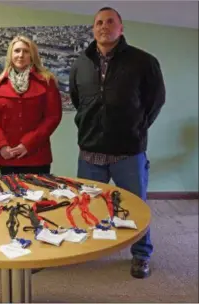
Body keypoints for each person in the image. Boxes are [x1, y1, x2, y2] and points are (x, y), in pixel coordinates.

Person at [69, 7, 166, 279]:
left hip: (128, 152)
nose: (103, 26)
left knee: (137, 206)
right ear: (93, 29)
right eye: (98, 22)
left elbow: (155, 101)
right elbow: (78, 100)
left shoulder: (143, 61)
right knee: (87, 206)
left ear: (121, 28)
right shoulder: (80, 63)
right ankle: (88, 249)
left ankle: (141, 254)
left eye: (110, 21)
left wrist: (136, 127)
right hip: (90, 152)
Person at [0, 36, 62, 175]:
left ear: (32, 55)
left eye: (26, 51)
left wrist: (28, 144)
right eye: (17, 51)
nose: (21, 55)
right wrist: (1, 146)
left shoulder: (47, 81)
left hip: (37, 156)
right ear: (10, 55)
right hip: (8, 156)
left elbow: (53, 117)